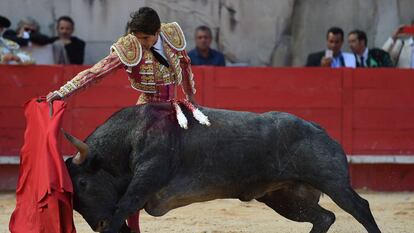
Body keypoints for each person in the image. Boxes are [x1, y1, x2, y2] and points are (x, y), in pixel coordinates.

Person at [46, 7, 197, 232]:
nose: (141, 43)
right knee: (134, 173)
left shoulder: (171, 35)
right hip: (145, 114)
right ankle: (132, 225)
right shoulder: (128, 47)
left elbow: (185, 66)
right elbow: (96, 73)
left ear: (157, 32)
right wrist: (63, 92)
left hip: (172, 109)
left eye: (145, 38)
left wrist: (191, 98)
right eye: (137, 38)